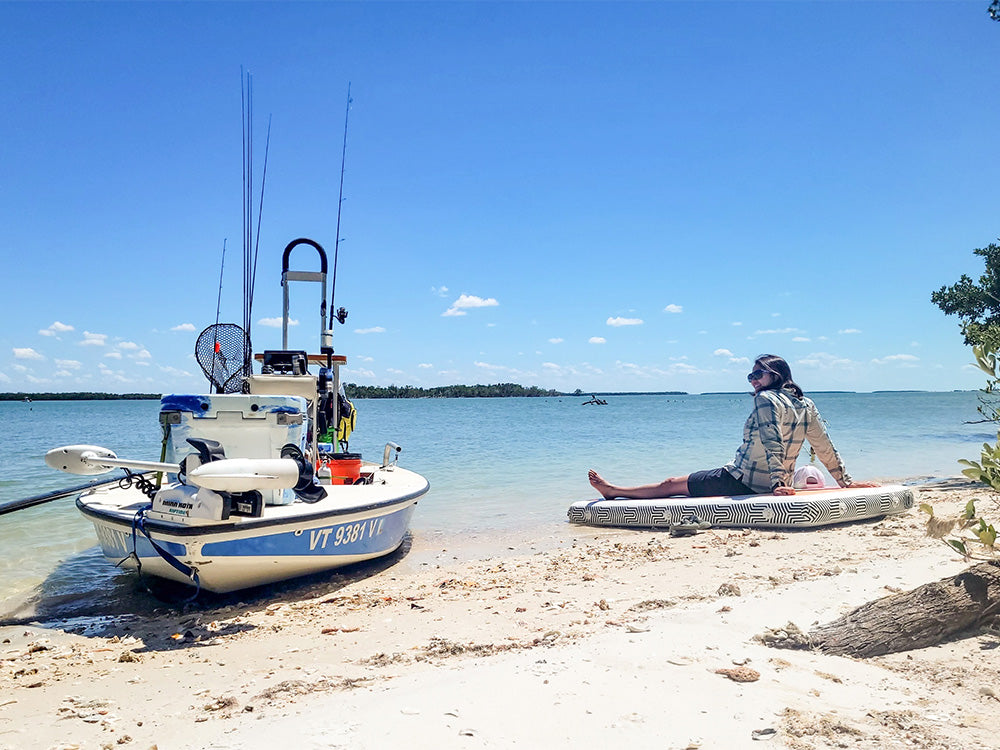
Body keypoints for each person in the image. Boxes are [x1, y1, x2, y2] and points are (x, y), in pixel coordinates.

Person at [588, 354, 876, 499]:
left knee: (671, 484)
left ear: (774, 375)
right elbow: (823, 445)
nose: (752, 380)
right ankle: (615, 490)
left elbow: (771, 439)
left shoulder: (765, 399)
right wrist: (846, 482)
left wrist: (777, 485)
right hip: (777, 482)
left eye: (757, 374)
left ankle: (614, 491)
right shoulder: (806, 403)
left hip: (741, 479)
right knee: (676, 483)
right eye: (750, 376)